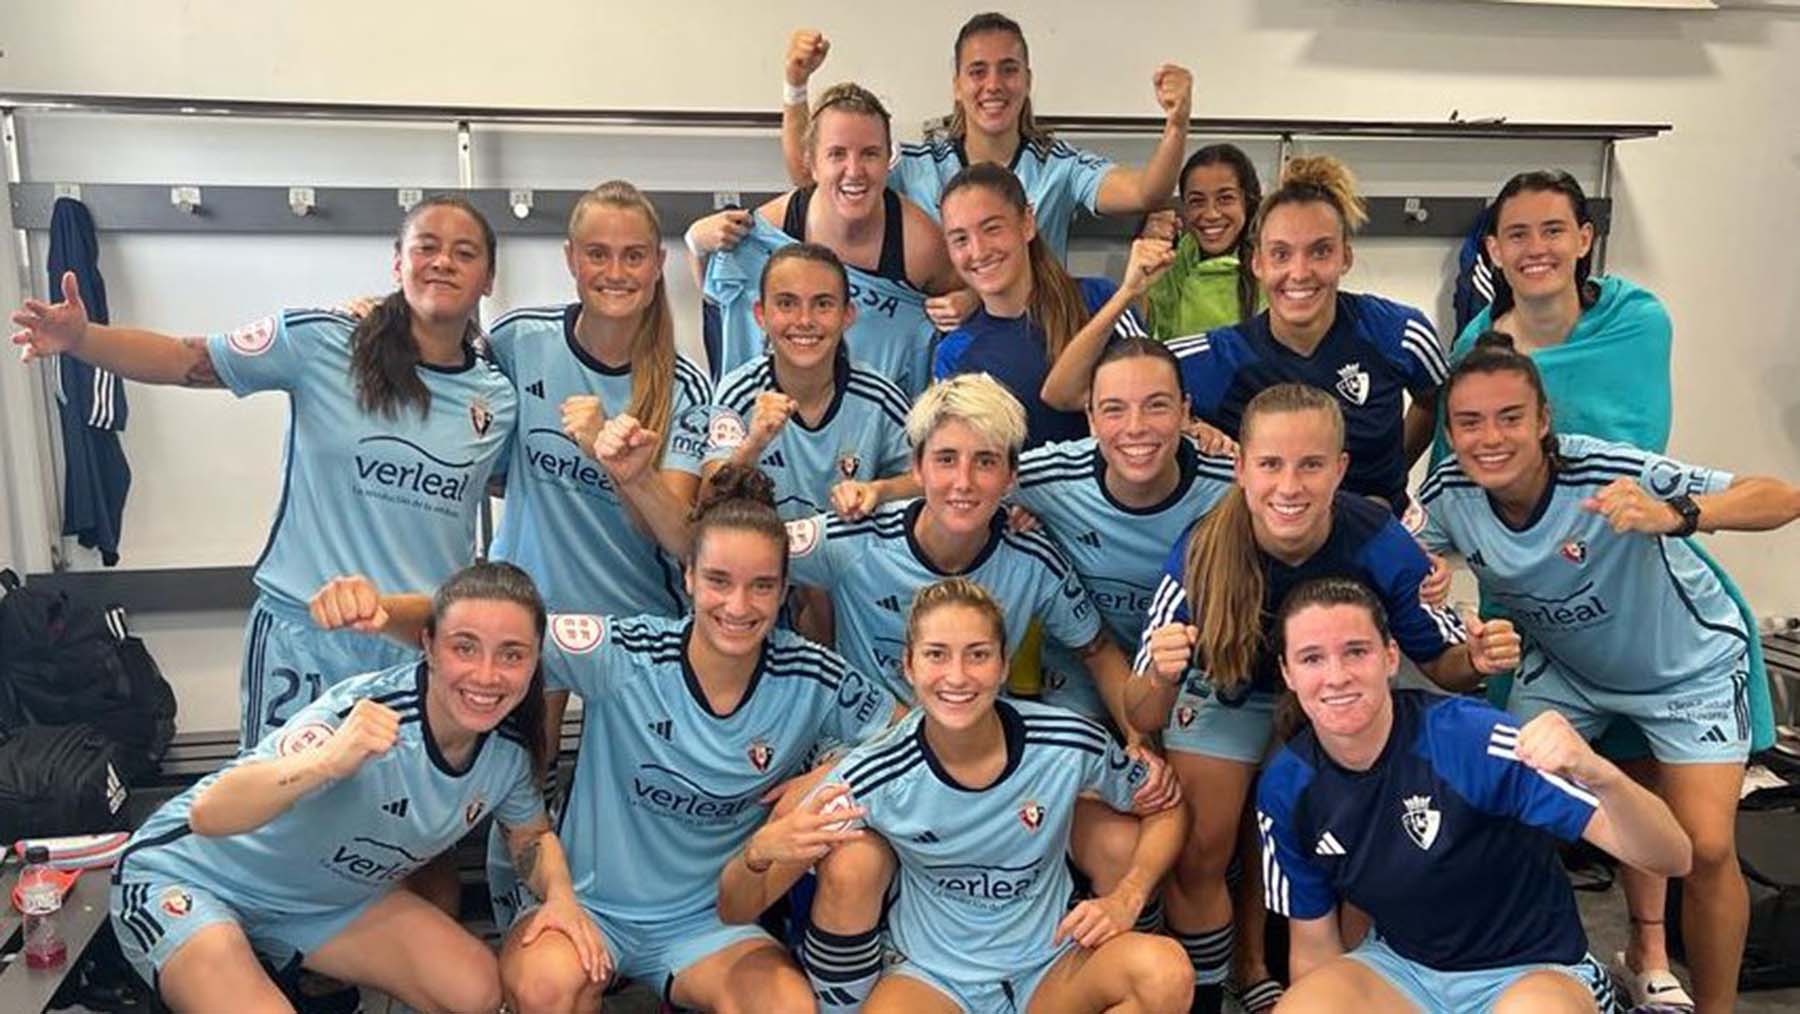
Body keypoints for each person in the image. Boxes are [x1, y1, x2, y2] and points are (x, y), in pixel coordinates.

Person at [323, 466, 902, 1013]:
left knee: (786, 1007)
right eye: (720, 581)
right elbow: (490, 628)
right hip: (590, 906)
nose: (738, 605)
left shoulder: (811, 676)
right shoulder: (624, 652)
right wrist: (378, 610)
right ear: (690, 576)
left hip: (711, 923)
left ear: (783, 593)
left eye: (761, 586)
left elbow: (905, 730)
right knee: (546, 988)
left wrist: (829, 768)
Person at [1436, 169, 1773, 1008]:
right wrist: (1457, 626)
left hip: (1665, 626)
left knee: (1701, 847)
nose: (1536, 247)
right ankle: (1573, 973)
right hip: (1560, 640)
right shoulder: (1469, 402)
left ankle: (1707, 997)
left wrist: (1677, 511)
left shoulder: (1633, 333)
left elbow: (1774, 493)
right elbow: (1413, 560)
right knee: (1512, 809)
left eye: (1555, 228)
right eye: (1517, 233)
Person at [9, 195, 515, 745]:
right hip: (305, 634)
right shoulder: (321, 342)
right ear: (398, 262)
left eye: (464, 253)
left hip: (417, 641)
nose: (443, 262)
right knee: (280, 813)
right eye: (427, 247)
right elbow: (187, 359)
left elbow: (524, 490)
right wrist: (83, 339)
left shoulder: (497, 400)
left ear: (488, 278)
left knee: (403, 819)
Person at [1128, 383, 1516, 1014]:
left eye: (1310, 464)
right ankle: (1212, 989)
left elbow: (1440, 667)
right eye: (1271, 464)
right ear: (1241, 468)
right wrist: (1163, 676)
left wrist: (1475, 659)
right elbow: (1141, 711)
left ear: (1340, 469)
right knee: (1202, 843)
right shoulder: (1200, 552)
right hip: (1232, 692)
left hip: (1331, 698)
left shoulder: (1380, 541)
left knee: (1358, 832)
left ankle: (1358, 986)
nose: (1290, 486)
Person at [108, 562, 598, 1014]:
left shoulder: (508, 748)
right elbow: (209, 813)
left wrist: (560, 898)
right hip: (190, 877)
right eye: (464, 647)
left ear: (536, 661)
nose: (487, 675)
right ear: (427, 645)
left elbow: (530, 837)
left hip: (321, 903)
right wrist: (325, 762)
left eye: (511, 654)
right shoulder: (363, 716)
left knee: (475, 991)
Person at [720, 577, 1193, 1014]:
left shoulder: (1068, 743)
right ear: (909, 665)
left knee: (1165, 972)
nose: (958, 676)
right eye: (937, 655)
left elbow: (1168, 809)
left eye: (978, 654)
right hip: (935, 979)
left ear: (1005, 663)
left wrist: (1128, 896)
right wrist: (759, 853)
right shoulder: (871, 773)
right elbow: (737, 909)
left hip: (1047, 964)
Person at [1257, 576, 1692, 1013]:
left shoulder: (1471, 738)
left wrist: (1602, 775)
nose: (1336, 677)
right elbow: (1313, 943)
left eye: (1356, 651)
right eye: (1312, 658)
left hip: (1529, 970)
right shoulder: (1286, 787)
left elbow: (1672, 857)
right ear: (1288, 674)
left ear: (1390, 657)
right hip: (1402, 969)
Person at [1159, 156, 1448, 513]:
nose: (1299, 272)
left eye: (1320, 251)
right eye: (1281, 254)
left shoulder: (1399, 332)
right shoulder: (1219, 357)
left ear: (1345, 256)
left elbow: (1434, 400)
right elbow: (1118, 389)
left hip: (1376, 529)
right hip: (1271, 541)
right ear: (1258, 263)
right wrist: (1191, 426)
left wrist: (1391, 473)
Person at [780, 15, 1193, 263]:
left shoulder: (1059, 166)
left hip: (1031, 350)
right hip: (938, 352)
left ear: (1027, 81)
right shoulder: (918, 166)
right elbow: (810, 178)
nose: (993, 85)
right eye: (978, 71)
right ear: (957, 85)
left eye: (1008, 69)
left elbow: (1146, 192)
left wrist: (1176, 124)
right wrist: (796, 87)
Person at [489, 179, 714, 619]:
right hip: (520, 617)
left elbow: (685, 540)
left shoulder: (687, 387)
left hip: (634, 628)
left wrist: (627, 471)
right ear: (571, 258)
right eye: (597, 254)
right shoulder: (517, 340)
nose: (615, 273)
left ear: (657, 264)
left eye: (634, 256)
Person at [688, 82, 966, 395]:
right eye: (837, 154)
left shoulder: (918, 243)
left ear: (889, 158)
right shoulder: (762, 231)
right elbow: (716, 295)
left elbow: (973, 292)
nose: (854, 170)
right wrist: (696, 245)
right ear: (811, 162)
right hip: (769, 425)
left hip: (868, 434)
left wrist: (969, 301)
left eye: (870, 154)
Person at [1012, 335, 1234, 725]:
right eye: (1114, 410)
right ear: (1091, 419)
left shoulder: (1234, 484)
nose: (1136, 427)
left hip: (1190, 671)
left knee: (1178, 780)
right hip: (1082, 671)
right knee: (1072, 768)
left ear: (1186, 412)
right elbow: (960, 487)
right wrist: (878, 490)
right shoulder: (1051, 476)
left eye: (1157, 406)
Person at [932, 163, 1154, 449]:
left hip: (1114, 488)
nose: (978, 250)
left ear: (1027, 223)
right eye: (961, 239)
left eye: (992, 229)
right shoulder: (955, 354)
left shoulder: (1098, 300)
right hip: (1018, 494)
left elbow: (1155, 393)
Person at [703, 242, 916, 523]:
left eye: (823, 304)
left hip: (849, 564)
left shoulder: (880, 397)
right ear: (760, 315)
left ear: (847, 315)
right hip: (763, 565)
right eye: (787, 304)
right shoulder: (738, 393)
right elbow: (705, 502)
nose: (804, 320)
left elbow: (927, 479)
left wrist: (878, 490)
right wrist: (753, 445)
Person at [1144, 144, 1264, 339]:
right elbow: (1144, 341)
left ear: (1248, 202)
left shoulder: (1274, 265)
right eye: (1197, 201)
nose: (1211, 214)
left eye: (1225, 199)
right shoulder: (1170, 262)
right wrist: (1145, 265)